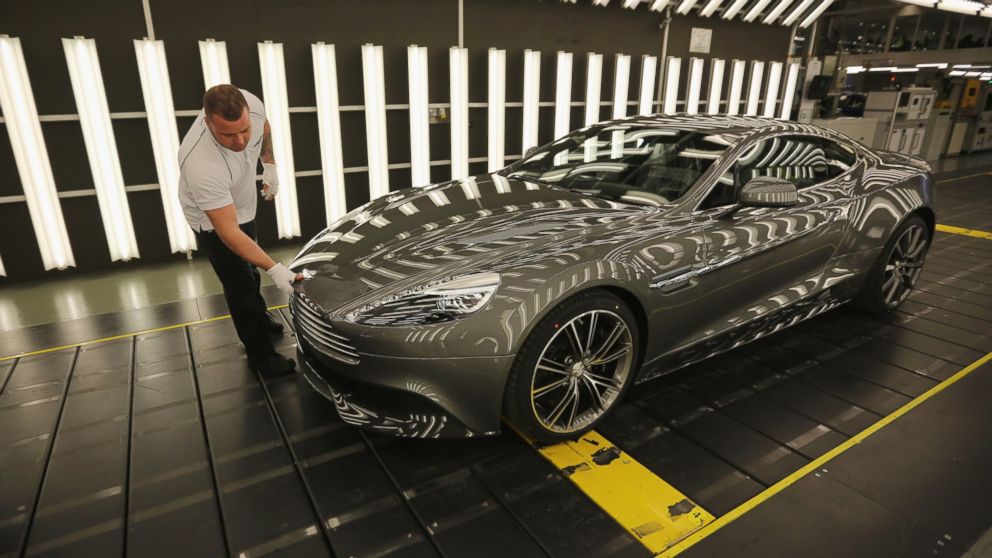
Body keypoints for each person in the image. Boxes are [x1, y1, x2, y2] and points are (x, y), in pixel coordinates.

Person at [178, 84, 300, 376]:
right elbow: (228, 233)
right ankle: (261, 358)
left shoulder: (252, 106)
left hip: (242, 203)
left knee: (250, 269)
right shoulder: (199, 162)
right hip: (212, 220)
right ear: (208, 123)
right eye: (228, 135)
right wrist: (276, 269)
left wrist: (269, 165)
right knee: (240, 285)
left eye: (244, 130)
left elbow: (264, 127)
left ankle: (260, 319)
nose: (241, 140)